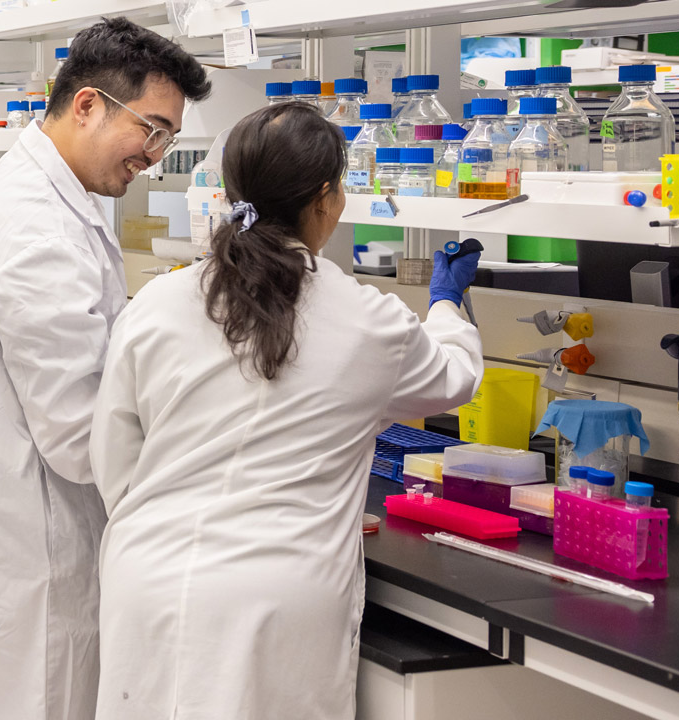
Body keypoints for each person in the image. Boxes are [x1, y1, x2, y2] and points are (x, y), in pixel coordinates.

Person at [89, 103, 482, 717]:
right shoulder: (365, 320)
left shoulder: (160, 300)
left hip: (149, 575)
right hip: (276, 597)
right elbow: (454, 378)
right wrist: (448, 304)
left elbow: (114, 450)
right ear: (325, 198)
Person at [0, 18, 209, 720]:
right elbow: (81, 436)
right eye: (154, 129)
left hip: (19, 539)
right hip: (33, 556)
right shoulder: (35, 227)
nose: (158, 153)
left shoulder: (53, 199)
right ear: (86, 105)